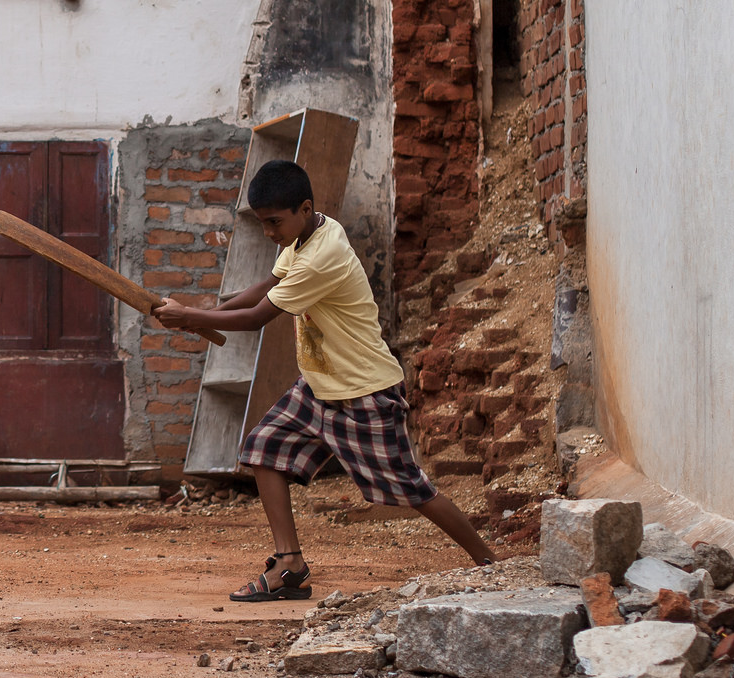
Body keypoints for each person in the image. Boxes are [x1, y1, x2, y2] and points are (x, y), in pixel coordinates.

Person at [154, 159, 493, 601]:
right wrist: (204, 314)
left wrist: (190, 317)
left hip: (365, 393)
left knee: (413, 490)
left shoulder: (322, 254)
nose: (270, 233)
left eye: (275, 222)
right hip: (319, 387)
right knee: (263, 450)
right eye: (263, 224)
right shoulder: (308, 232)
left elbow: (259, 317)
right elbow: (265, 286)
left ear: (304, 207)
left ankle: (490, 564)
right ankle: (290, 565)